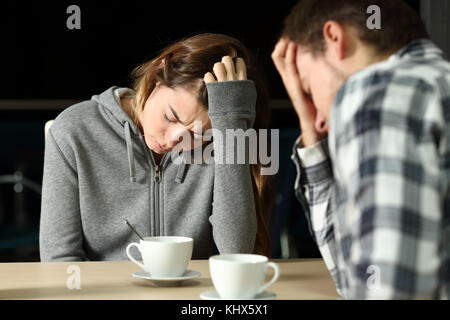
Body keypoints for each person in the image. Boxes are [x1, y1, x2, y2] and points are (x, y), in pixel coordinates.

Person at [40, 33, 273, 261]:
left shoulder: (222, 140)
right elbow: (59, 259)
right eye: (171, 117)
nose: (173, 140)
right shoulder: (74, 131)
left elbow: (236, 253)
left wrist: (230, 125)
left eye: (199, 135)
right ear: (156, 77)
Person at [272, 0, 450, 299]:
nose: (319, 118)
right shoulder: (433, 82)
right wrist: (309, 129)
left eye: (307, 88)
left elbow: (388, 290)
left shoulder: (382, 90)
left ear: (335, 38)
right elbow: (352, 276)